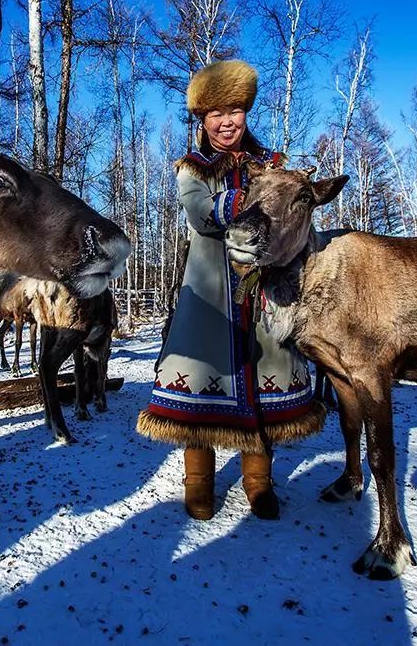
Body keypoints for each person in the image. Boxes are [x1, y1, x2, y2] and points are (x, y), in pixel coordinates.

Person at [137, 60, 325, 521]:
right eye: (216, 112)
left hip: (264, 295)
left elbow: (295, 219)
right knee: (200, 383)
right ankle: (198, 482)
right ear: (202, 118)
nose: (226, 122)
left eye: (235, 110)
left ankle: (258, 482)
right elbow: (201, 216)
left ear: (246, 113)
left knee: (264, 384)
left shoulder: (273, 165)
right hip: (210, 295)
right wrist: (255, 199)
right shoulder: (193, 169)